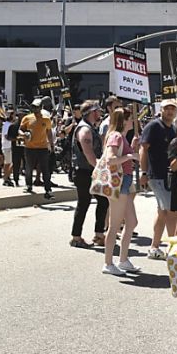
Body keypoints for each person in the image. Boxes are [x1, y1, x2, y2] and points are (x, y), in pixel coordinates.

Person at [102, 108, 142, 275]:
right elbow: (111, 159)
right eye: (131, 119)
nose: (133, 121)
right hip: (119, 182)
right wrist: (131, 156)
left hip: (123, 182)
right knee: (115, 225)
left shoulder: (120, 136)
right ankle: (108, 263)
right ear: (124, 120)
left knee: (131, 222)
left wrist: (131, 150)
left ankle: (123, 260)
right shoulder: (116, 136)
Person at [140, 99, 177, 260]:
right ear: (161, 110)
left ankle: (154, 247)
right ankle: (172, 248)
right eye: (167, 108)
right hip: (157, 175)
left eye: (173, 109)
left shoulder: (173, 129)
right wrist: (143, 172)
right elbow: (143, 149)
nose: (170, 111)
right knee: (171, 212)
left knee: (163, 212)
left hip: (168, 176)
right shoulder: (154, 126)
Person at [71, 100, 108, 248]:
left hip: (90, 171)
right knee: (84, 203)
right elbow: (89, 154)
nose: (100, 113)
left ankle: (99, 234)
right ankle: (76, 237)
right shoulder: (85, 130)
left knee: (103, 201)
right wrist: (100, 169)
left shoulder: (89, 128)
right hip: (85, 172)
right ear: (93, 112)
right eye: (98, 111)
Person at [20, 99, 54, 199]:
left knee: (45, 169)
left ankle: (48, 189)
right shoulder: (27, 118)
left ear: (41, 107)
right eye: (33, 106)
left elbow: (49, 132)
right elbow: (20, 130)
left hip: (43, 148)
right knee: (29, 168)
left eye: (36, 106)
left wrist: (51, 145)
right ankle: (29, 185)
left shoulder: (46, 119)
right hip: (30, 147)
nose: (34, 108)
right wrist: (24, 134)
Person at [1, 111, 16, 186]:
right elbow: (6, 136)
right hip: (8, 146)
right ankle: (6, 178)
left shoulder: (9, 124)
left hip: (8, 146)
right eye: (14, 115)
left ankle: (7, 177)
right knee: (10, 163)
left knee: (7, 163)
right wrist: (16, 139)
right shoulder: (7, 125)